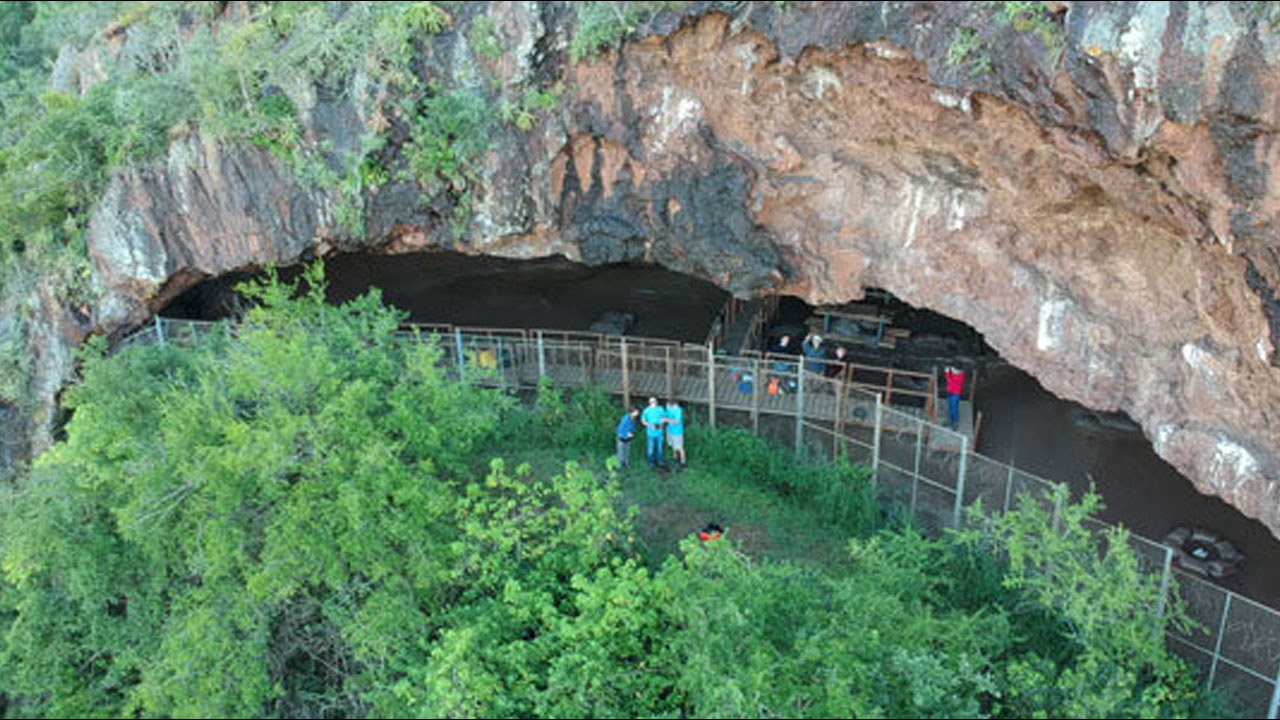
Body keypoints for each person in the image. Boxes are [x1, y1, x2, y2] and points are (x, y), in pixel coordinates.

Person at [641, 396, 667, 468]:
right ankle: (651, 462)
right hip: (650, 433)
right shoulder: (646, 411)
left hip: (659, 432)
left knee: (660, 448)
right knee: (650, 449)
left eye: (654, 401)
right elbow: (643, 421)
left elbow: (664, 417)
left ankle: (660, 461)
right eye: (651, 402)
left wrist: (662, 422)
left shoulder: (660, 409)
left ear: (657, 402)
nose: (653, 403)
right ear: (649, 403)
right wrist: (650, 425)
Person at [665, 398, 686, 468]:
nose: (668, 407)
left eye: (671, 406)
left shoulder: (678, 410)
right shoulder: (668, 406)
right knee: (673, 445)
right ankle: (675, 458)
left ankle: (683, 462)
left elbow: (676, 422)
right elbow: (666, 414)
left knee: (680, 447)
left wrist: (667, 420)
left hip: (677, 432)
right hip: (670, 430)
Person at [944, 365, 965, 429]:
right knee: (950, 406)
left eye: (954, 370)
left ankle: (955, 422)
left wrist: (947, 372)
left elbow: (950, 380)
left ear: (959, 371)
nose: (953, 371)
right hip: (950, 392)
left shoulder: (960, 377)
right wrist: (948, 371)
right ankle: (950, 420)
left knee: (954, 408)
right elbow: (949, 377)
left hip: (955, 394)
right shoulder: (955, 374)